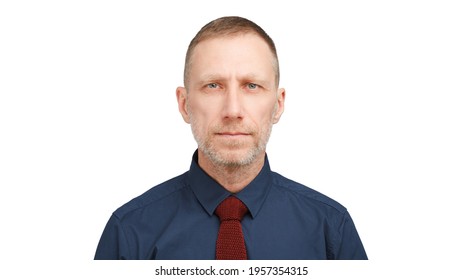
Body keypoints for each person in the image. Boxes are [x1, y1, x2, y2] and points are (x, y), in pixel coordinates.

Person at [94, 16, 367, 260]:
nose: (233, 110)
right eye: (213, 85)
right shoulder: (128, 233)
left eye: (252, 86)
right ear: (184, 104)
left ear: (278, 105)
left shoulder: (331, 230)